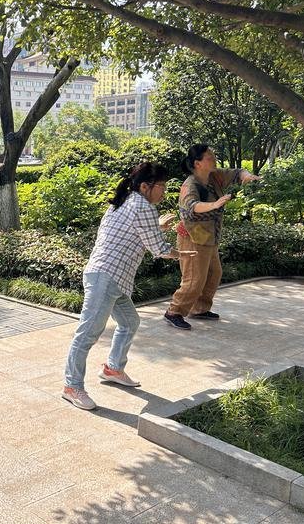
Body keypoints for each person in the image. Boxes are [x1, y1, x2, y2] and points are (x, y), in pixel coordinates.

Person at [63, 163, 192, 411]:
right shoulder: (142, 205)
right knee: (87, 334)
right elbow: (159, 249)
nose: (164, 192)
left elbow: (134, 231)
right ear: (145, 186)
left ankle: (113, 368)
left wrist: (159, 227)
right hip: (106, 277)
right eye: (162, 186)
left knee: (130, 322)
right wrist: (184, 253)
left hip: (111, 278)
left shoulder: (123, 201)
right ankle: (72, 386)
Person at [163, 144, 261, 331]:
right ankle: (174, 311)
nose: (214, 158)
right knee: (194, 279)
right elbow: (192, 207)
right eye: (209, 157)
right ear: (197, 163)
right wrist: (215, 204)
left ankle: (199, 309)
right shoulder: (189, 185)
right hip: (192, 237)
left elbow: (237, 172)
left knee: (214, 274)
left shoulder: (214, 176)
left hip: (209, 236)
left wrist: (246, 176)